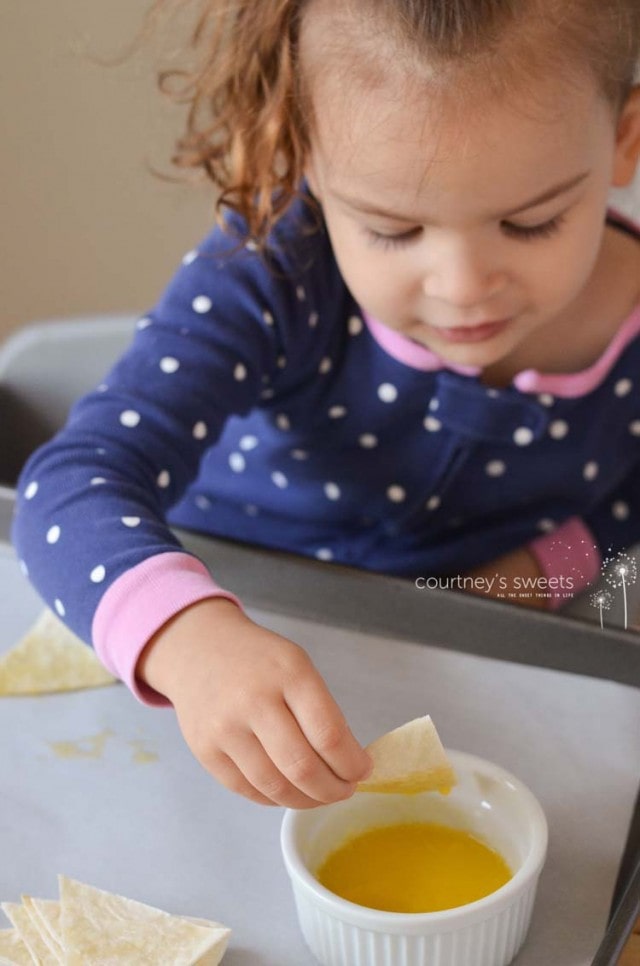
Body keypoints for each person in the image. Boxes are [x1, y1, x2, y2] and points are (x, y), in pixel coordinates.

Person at [12, 0, 640, 808]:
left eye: (529, 222)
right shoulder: (275, 268)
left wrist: (522, 585)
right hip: (217, 605)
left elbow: (625, 502)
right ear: (302, 151)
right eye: (392, 230)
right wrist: (186, 638)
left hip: (461, 656)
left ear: (625, 139)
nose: (463, 288)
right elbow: (71, 484)